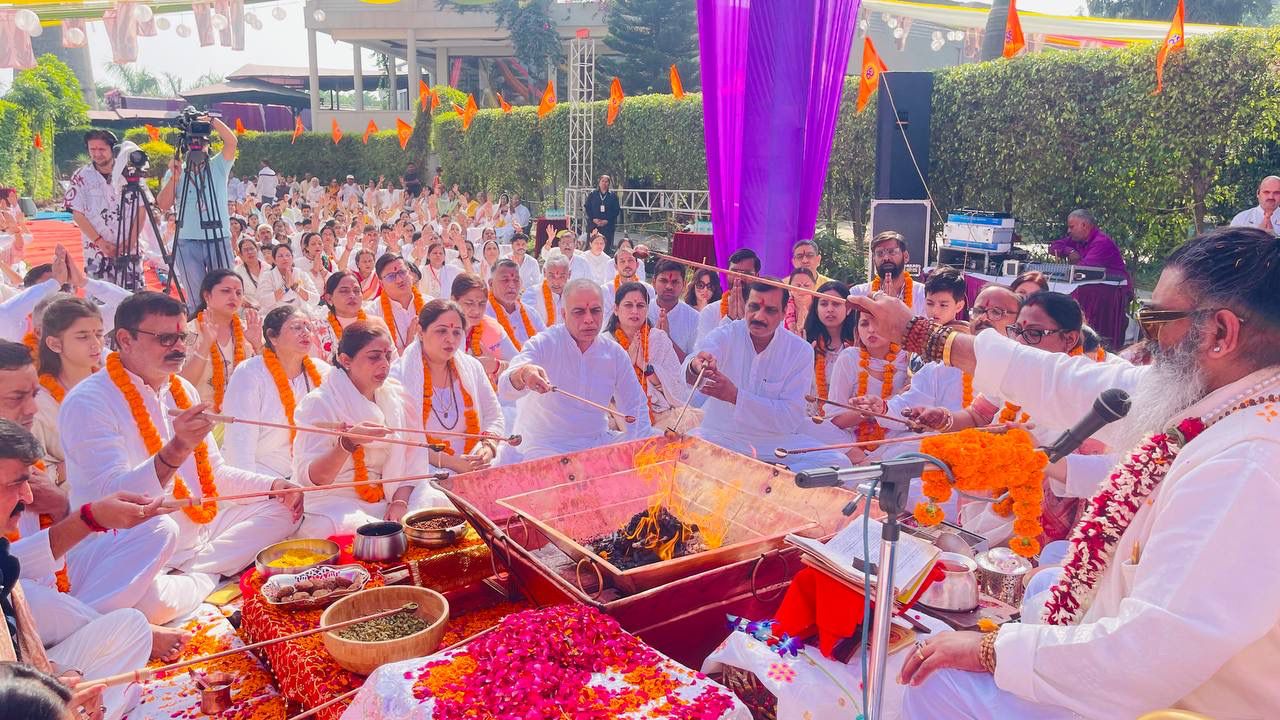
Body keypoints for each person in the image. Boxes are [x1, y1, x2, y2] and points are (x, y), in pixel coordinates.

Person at [843, 227, 1280, 719]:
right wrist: (922, 333)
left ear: (1221, 333)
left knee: (935, 684)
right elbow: (1064, 379)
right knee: (1043, 584)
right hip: (1141, 669)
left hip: (1166, 703)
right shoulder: (1223, 399)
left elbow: (1149, 656)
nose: (1147, 338)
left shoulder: (1248, 463)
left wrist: (991, 651)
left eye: (1155, 319)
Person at [61, 292, 302, 623]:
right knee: (151, 604)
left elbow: (214, 474)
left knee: (286, 509)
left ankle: (196, 574)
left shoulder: (181, 390)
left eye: (182, 337)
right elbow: (115, 501)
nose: (178, 348)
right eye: (165, 339)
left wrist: (273, 486)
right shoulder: (90, 403)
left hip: (199, 533)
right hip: (134, 546)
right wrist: (178, 447)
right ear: (125, 340)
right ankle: (208, 577)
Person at [0, 420, 173, 720]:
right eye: (16, 484)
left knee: (131, 626)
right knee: (36, 597)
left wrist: (57, 676)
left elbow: (16, 650)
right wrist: (46, 699)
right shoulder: (86, 403)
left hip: (26, 665)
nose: (28, 496)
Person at [293, 321, 446, 534]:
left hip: (389, 496)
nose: (384, 364)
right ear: (346, 360)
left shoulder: (397, 397)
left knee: (436, 501)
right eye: (374, 357)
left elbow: (413, 464)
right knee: (352, 529)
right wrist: (347, 443)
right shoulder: (320, 403)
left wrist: (399, 502)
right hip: (337, 501)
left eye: (387, 356)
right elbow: (313, 479)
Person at [686, 281, 850, 471]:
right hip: (721, 436)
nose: (759, 316)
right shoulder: (726, 334)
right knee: (686, 449)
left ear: (783, 313)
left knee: (838, 463)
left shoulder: (799, 351)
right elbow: (691, 368)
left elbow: (790, 418)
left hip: (773, 444)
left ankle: (759, 472)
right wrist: (696, 366)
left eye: (770, 310)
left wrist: (735, 396)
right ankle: (768, 474)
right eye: (754, 307)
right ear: (746, 306)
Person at [497, 278, 651, 461]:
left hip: (596, 443)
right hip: (544, 446)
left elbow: (635, 407)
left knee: (655, 443)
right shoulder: (544, 343)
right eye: (579, 312)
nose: (589, 319)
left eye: (595, 311)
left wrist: (641, 449)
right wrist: (523, 374)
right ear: (564, 314)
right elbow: (504, 388)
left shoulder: (614, 354)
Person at [391, 300, 504, 476]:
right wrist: (453, 464)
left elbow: (493, 415)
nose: (451, 339)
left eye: (456, 332)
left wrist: (488, 447)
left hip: (474, 457)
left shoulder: (472, 367)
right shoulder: (399, 376)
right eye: (441, 331)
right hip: (426, 465)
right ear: (420, 331)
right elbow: (403, 439)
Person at [223, 306, 331, 478]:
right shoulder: (250, 372)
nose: (305, 333)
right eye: (297, 327)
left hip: (309, 475)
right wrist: (251, 487)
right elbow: (240, 443)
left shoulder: (322, 371)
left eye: (308, 327)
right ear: (273, 336)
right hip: (262, 477)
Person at [155, 115, 238, 312]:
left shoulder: (218, 165)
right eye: (193, 143)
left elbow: (231, 142)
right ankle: (201, 328)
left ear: (209, 146)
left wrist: (211, 120)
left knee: (226, 291)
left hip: (218, 237)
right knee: (196, 299)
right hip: (187, 241)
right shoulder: (177, 171)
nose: (198, 146)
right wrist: (174, 178)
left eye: (202, 143)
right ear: (186, 147)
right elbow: (163, 205)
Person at [605, 282, 697, 434]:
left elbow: (677, 387)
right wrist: (628, 363)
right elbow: (600, 391)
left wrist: (646, 368)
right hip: (617, 413)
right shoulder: (605, 343)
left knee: (689, 418)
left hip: (657, 412)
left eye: (640, 305)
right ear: (616, 309)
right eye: (628, 305)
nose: (635, 311)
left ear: (647, 309)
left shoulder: (658, 339)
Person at [33, 298, 104, 481]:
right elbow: (33, 476)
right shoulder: (39, 404)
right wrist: (86, 459)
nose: (96, 344)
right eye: (83, 336)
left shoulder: (118, 387)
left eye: (99, 334)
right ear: (54, 344)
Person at [182, 270, 262, 413]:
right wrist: (205, 345)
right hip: (201, 416)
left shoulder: (249, 329)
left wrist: (257, 345)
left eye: (238, 293)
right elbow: (181, 386)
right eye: (226, 291)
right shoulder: (188, 332)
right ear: (207, 296)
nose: (234, 297)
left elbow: (270, 378)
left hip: (244, 413)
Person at [65, 130, 129, 284]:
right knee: (99, 295)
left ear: (112, 149)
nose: (97, 154)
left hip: (129, 249)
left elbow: (141, 209)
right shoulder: (81, 176)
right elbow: (77, 213)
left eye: (102, 149)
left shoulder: (129, 173)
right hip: (96, 251)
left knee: (133, 296)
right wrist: (100, 242)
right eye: (92, 149)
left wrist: (129, 242)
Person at [452, 273, 517, 389]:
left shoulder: (492, 328)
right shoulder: (440, 329)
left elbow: (519, 365)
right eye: (469, 303)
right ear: (453, 300)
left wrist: (496, 366)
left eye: (482, 304)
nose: (477, 310)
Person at [802, 281, 856, 419]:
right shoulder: (806, 344)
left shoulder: (858, 346)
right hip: (811, 419)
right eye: (824, 304)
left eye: (836, 304)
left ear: (849, 309)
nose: (830, 309)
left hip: (848, 421)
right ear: (816, 309)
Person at [1048, 209, 1131, 287]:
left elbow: (1082, 269)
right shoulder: (1077, 239)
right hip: (1094, 286)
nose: (1068, 231)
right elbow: (1053, 247)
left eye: (1071, 227)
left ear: (1084, 225)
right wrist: (1070, 251)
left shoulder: (1101, 242)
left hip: (1114, 289)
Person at [849, 231, 925, 315]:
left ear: (905, 256)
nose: (886, 258)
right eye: (880, 253)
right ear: (874, 260)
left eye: (892, 252)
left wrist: (894, 305)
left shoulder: (923, 294)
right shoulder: (858, 293)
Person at [695, 248, 760, 343]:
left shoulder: (766, 312)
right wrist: (729, 319)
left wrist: (744, 321)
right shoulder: (710, 311)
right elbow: (702, 349)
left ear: (757, 277)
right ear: (727, 274)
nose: (739, 278)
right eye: (734, 272)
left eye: (746, 274)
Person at [367, 254, 425, 353]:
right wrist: (409, 345)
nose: (399, 280)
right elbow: (378, 356)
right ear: (381, 284)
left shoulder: (430, 304)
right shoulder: (372, 315)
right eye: (391, 277)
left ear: (409, 272)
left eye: (402, 272)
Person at [486, 260, 545, 352]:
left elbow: (546, 344)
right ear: (491, 283)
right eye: (505, 280)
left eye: (516, 280)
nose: (511, 285)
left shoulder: (531, 314)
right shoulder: (483, 315)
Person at [648, 260, 698, 360]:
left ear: (684, 285)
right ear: (654, 282)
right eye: (663, 281)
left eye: (675, 282)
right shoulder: (642, 311)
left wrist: (666, 338)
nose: (669, 286)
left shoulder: (694, 318)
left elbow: (691, 364)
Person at [316, 271, 368, 360]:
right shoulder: (317, 329)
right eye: (344, 291)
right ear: (329, 298)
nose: (352, 295)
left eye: (356, 291)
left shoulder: (375, 325)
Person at [259, 245, 317, 313]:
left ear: (292, 258)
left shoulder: (301, 274)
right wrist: (285, 287)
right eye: (280, 256)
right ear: (274, 260)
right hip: (276, 314)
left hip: (301, 313)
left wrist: (296, 287)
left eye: (288, 255)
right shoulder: (268, 276)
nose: (285, 258)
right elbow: (264, 301)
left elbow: (315, 299)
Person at [600, 247, 653, 318]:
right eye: (622, 261)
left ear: (637, 265)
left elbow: (648, 318)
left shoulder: (648, 289)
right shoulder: (605, 290)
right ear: (616, 267)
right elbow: (605, 320)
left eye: (630, 260)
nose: (627, 265)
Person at [523, 256, 570, 328]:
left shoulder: (576, 294)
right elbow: (525, 322)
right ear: (544, 272)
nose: (556, 282)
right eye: (552, 276)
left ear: (569, 274)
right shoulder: (533, 294)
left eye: (562, 276)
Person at [584, 175, 621, 251]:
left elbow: (616, 210)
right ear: (599, 183)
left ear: (609, 183)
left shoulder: (613, 196)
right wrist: (593, 219)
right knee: (592, 247)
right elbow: (587, 207)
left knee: (606, 248)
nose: (604, 183)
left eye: (606, 181)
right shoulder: (593, 194)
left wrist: (607, 220)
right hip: (594, 225)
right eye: (602, 181)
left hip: (607, 226)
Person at [783, 268, 816, 337]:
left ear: (814, 286)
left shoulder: (821, 306)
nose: (802, 289)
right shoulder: (782, 307)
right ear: (790, 287)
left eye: (806, 285)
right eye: (798, 285)